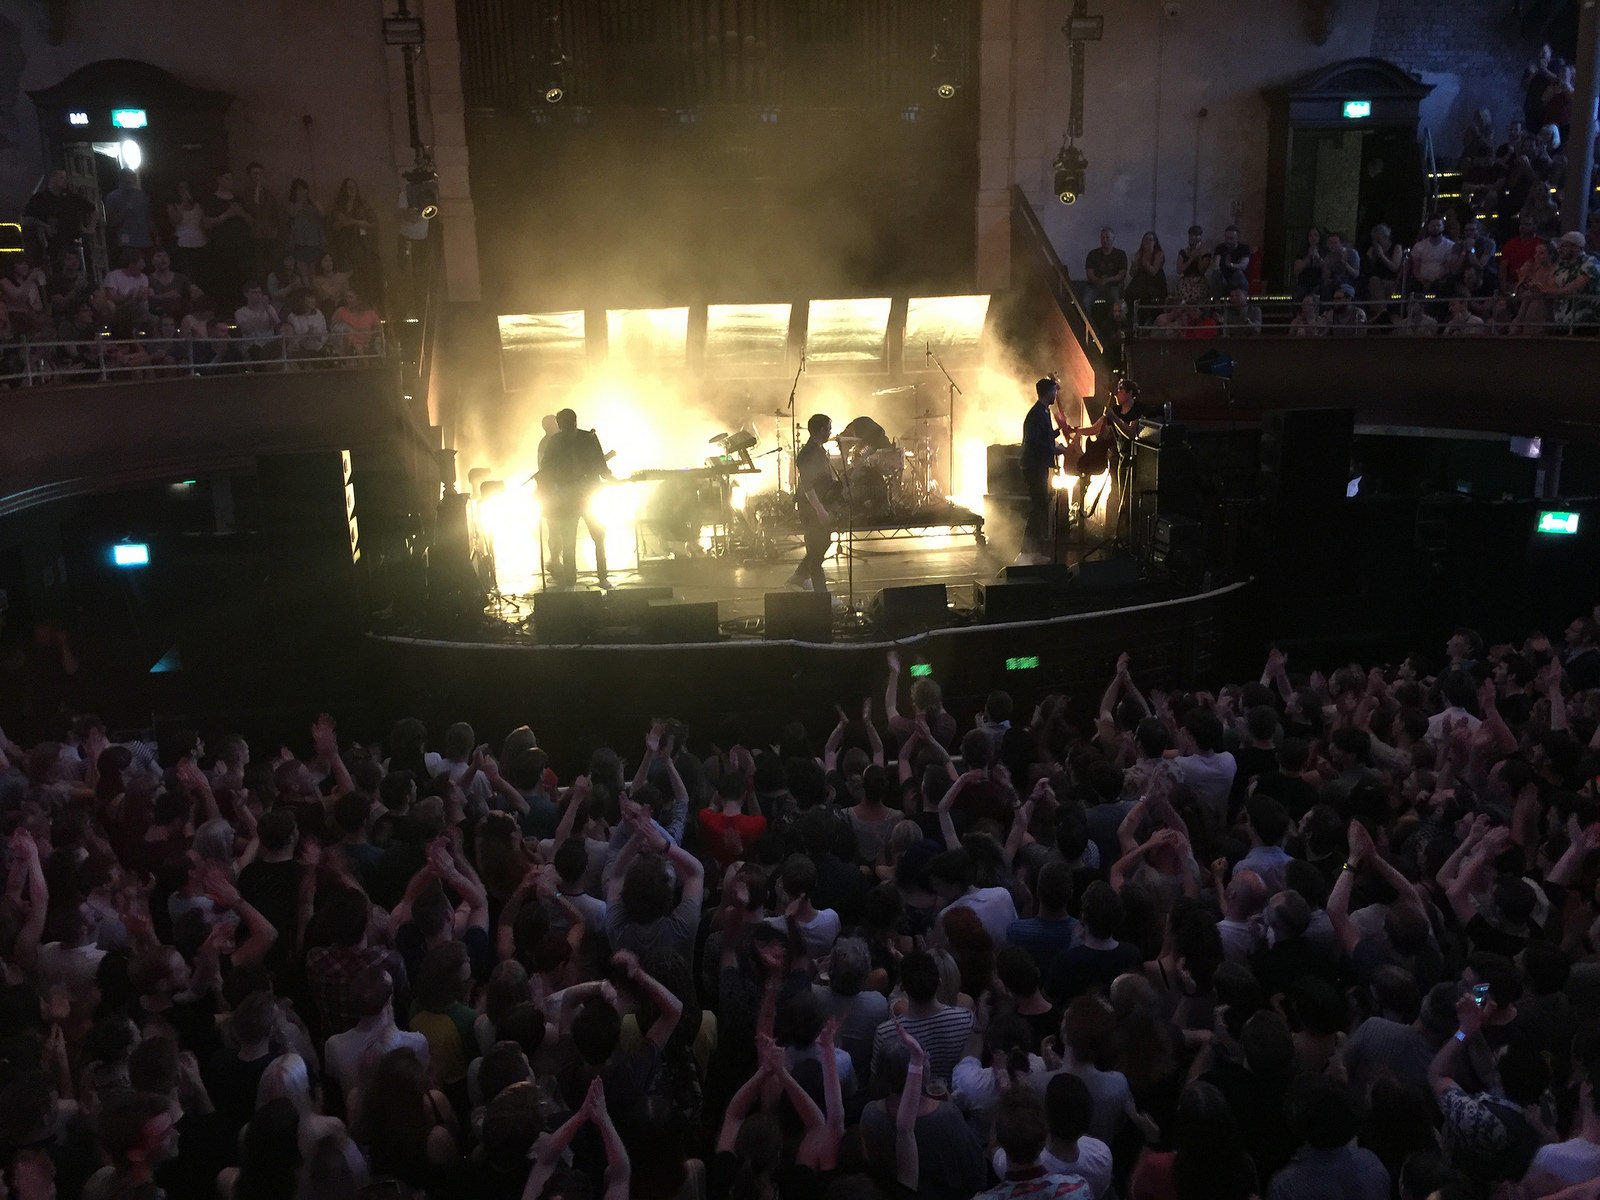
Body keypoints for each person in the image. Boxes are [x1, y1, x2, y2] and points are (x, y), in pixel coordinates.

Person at [537, 407, 614, 589]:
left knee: (580, 537)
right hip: (573, 498)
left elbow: (546, 468)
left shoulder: (565, 440)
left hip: (576, 497)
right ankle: (593, 579)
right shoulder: (584, 439)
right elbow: (600, 464)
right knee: (578, 538)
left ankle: (583, 580)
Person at [791, 412, 841, 598]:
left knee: (822, 543)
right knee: (817, 546)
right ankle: (821, 595)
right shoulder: (808, 454)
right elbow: (807, 485)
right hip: (810, 508)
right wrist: (819, 509)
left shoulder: (818, 450)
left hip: (818, 505)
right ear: (820, 430)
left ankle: (799, 577)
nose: (830, 432)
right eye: (828, 428)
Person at [1019, 377, 1065, 564]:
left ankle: (1032, 551)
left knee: (1039, 507)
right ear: (1047, 393)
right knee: (1038, 507)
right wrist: (1054, 448)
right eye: (1054, 391)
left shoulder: (1043, 411)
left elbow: (1042, 436)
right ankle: (1028, 552)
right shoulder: (1037, 413)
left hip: (1039, 465)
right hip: (1034, 466)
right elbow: (1035, 441)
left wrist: (1057, 432)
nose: (1056, 394)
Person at [21, 168, 95, 264]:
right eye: (61, 177)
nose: (65, 181)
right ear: (52, 178)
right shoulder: (40, 199)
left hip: (73, 244)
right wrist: (45, 226)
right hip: (52, 246)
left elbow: (93, 210)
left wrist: (89, 229)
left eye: (65, 178)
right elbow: (26, 219)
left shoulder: (71, 197)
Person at [241, 162, 284, 281]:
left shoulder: (269, 193)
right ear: (249, 176)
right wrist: (256, 193)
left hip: (269, 235)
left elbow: (276, 212)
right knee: (258, 266)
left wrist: (275, 229)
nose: (258, 176)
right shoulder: (245, 193)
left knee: (271, 265)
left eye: (260, 174)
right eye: (255, 174)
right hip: (254, 236)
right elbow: (252, 210)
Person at [103, 170, 153, 255]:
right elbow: (111, 221)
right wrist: (125, 211)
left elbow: (148, 216)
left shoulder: (141, 195)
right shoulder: (113, 196)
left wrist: (154, 235)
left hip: (143, 238)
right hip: (126, 240)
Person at [1082, 228, 1128, 310]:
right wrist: (1099, 282)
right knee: (1085, 302)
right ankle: (1087, 322)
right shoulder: (1093, 254)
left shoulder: (1120, 254)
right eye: (1103, 237)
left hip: (1113, 286)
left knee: (1116, 303)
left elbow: (1121, 275)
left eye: (1107, 237)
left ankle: (1111, 322)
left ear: (1113, 239)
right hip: (1094, 285)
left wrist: (1107, 280)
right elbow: (1089, 274)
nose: (1105, 240)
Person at [1123, 231, 1167, 316]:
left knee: (1146, 296)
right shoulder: (1139, 254)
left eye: (1150, 240)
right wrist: (1134, 265)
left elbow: (1153, 272)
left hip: (1154, 282)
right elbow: (1132, 273)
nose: (1147, 242)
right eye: (1145, 240)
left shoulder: (1158, 254)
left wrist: (1144, 261)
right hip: (1140, 282)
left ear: (1155, 242)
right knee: (1129, 294)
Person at [1207, 225, 1251, 296]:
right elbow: (1216, 265)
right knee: (1215, 275)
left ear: (1237, 238)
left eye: (1231, 238)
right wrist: (1215, 266)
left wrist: (1231, 265)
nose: (1228, 241)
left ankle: (1240, 300)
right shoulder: (1220, 247)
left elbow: (1243, 265)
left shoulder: (1244, 248)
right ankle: (1216, 304)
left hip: (1237, 279)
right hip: (1223, 279)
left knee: (1238, 274)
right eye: (1226, 238)